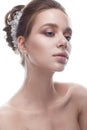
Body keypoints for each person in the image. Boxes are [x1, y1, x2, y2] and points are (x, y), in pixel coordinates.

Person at [0, 0, 87, 129]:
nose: (64, 42)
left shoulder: (78, 98)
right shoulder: (6, 120)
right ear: (23, 44)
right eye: (49, 33)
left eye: (67, 36)